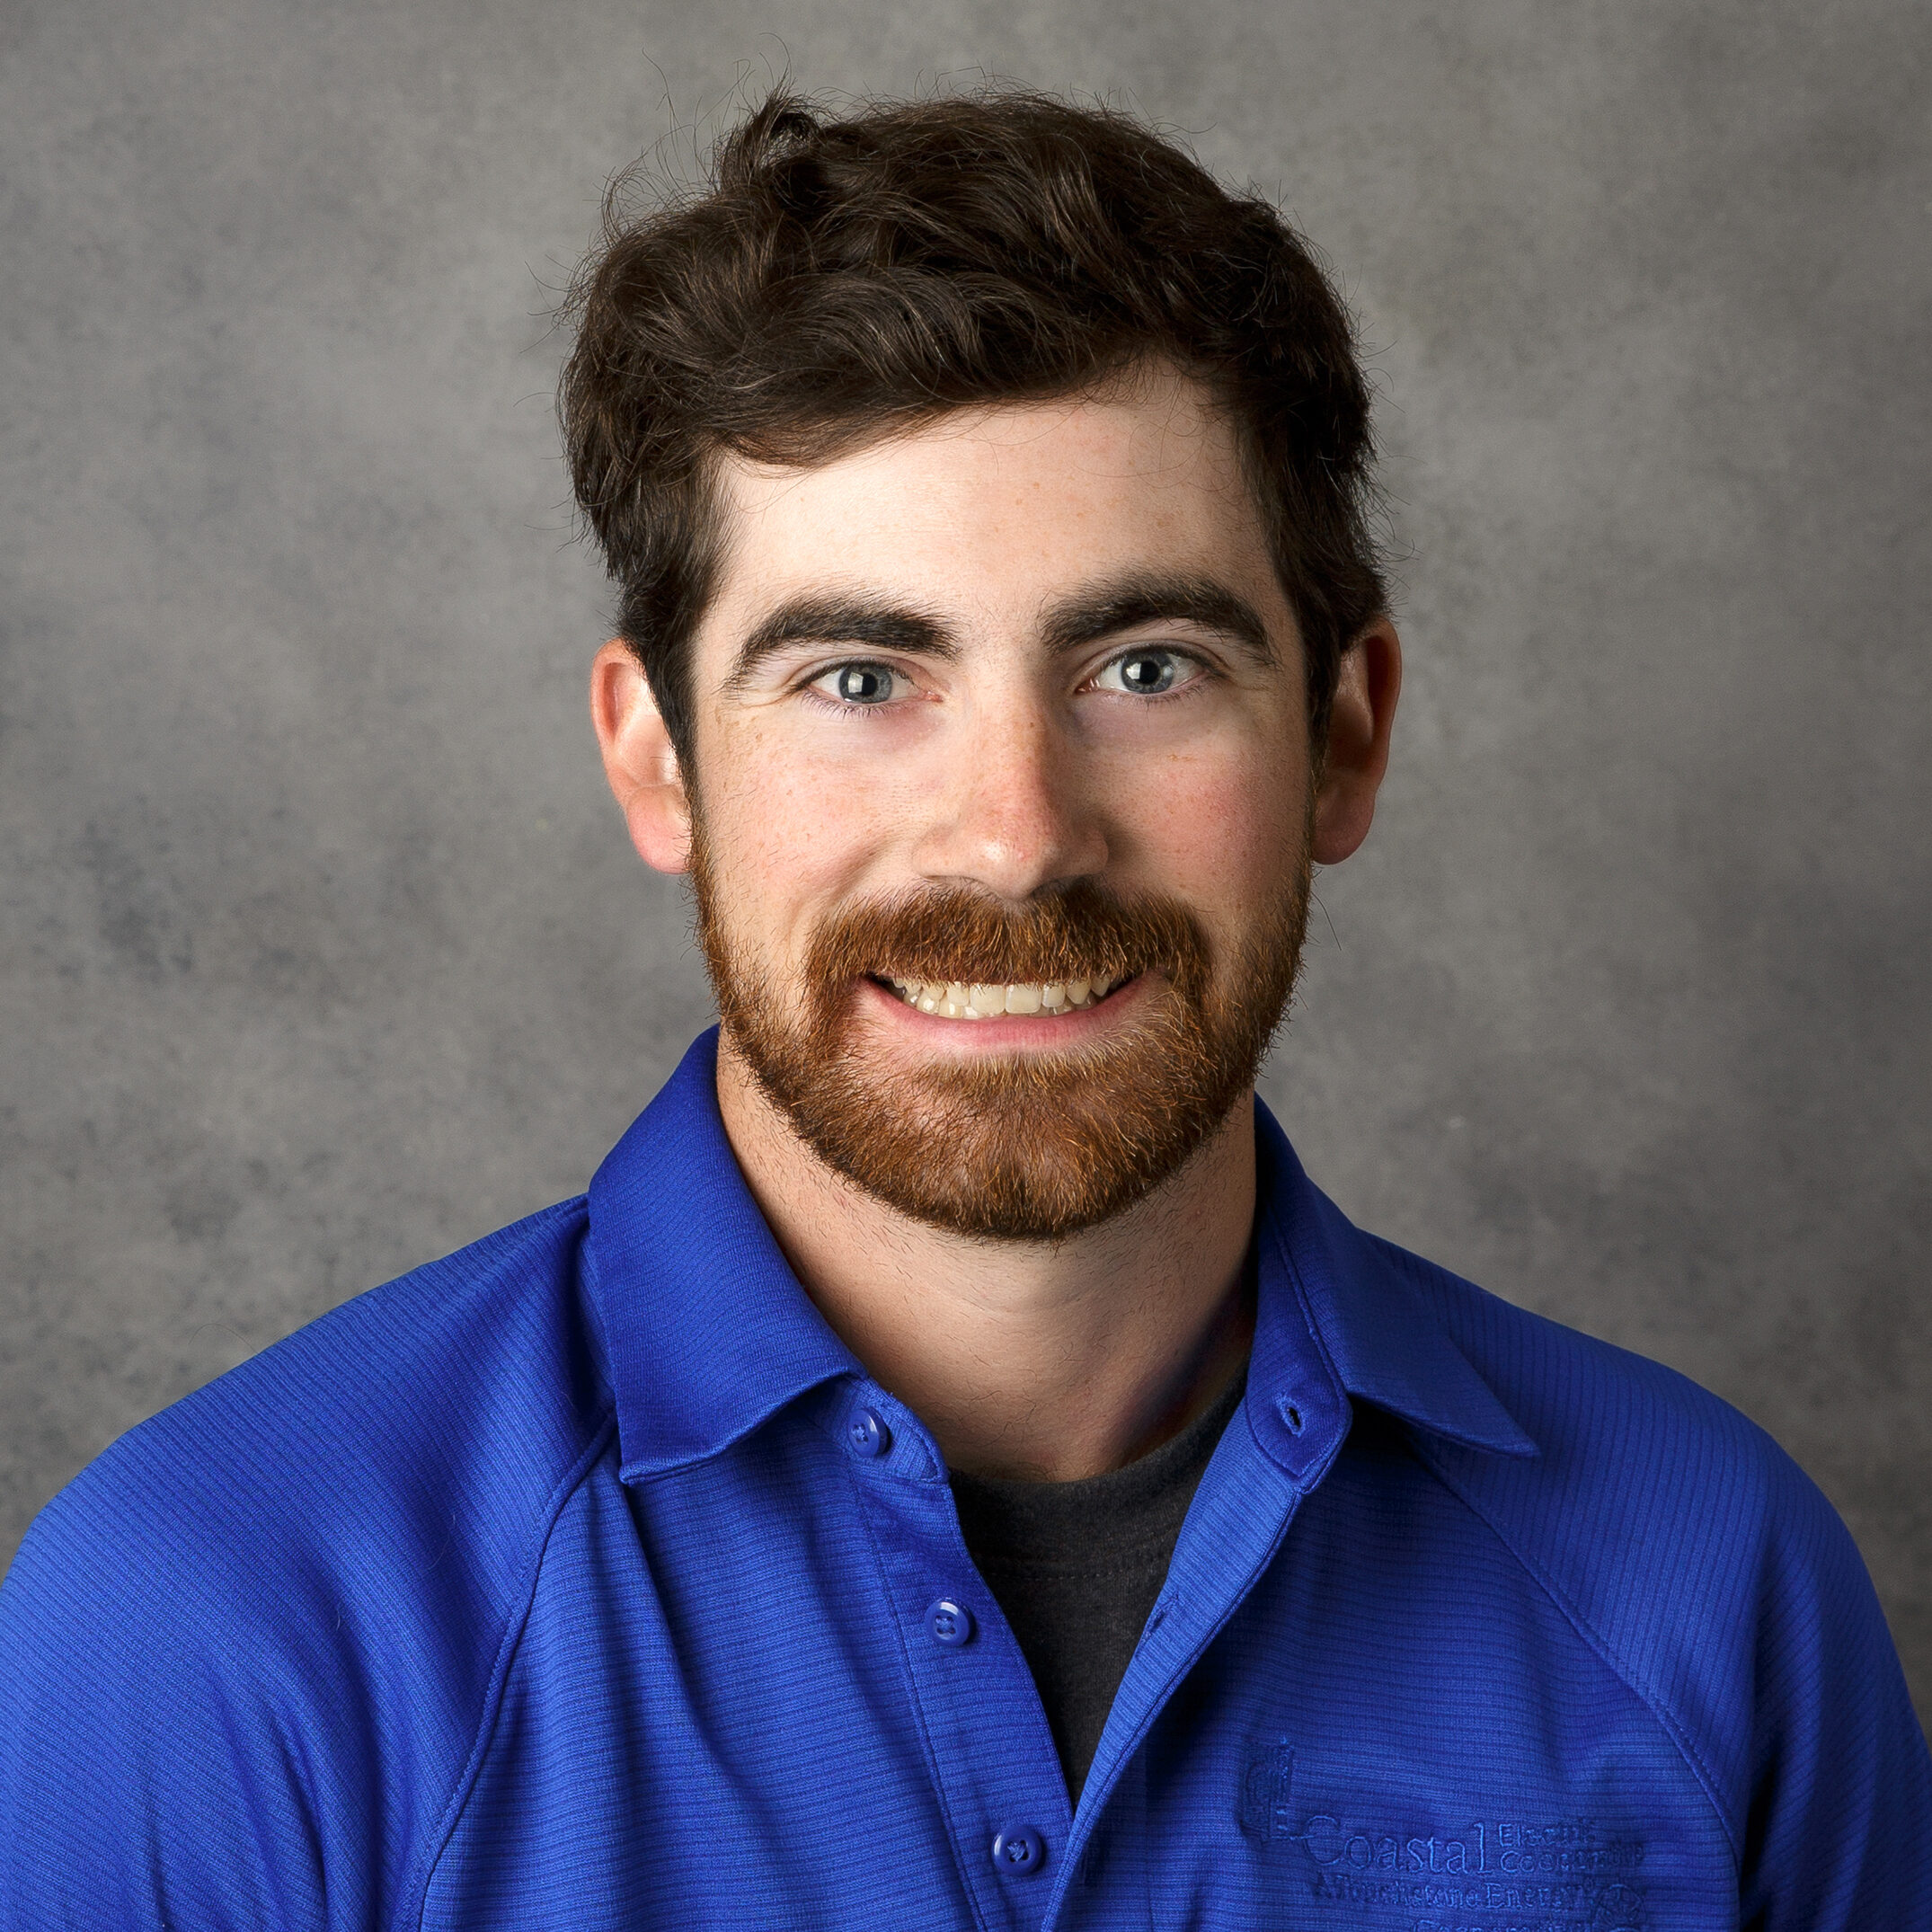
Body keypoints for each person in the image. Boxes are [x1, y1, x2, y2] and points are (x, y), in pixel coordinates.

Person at [1, 85, 1925, 1930]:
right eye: (856, 677)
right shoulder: (220, 1624)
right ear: (658, 761)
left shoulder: (1701, 1581)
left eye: (1147, 665)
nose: (1014, 841)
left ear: (1345, 737)